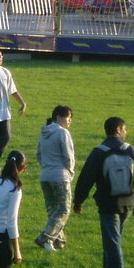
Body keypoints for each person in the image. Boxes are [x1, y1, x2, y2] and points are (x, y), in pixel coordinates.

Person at [73, 117, 134, 268]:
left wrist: (78, 201)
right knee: (113, 242)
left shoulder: (99, 152)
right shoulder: (131, 151)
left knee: (113, 244)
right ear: (120, 129)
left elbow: (86, 179)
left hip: (107, 205)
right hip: (128, 202)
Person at [34, 105, 75, 252]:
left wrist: (45, 166)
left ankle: (59, 241)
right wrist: (70, 173)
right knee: (64, 209)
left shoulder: (43, 132)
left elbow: (38, 154)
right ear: (58, 117)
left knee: (53, 210)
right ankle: (46, 237)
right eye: (68, 118)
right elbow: (69, 156)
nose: (69, 122)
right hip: (60, 176)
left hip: (45, 175)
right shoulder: (63, 133)